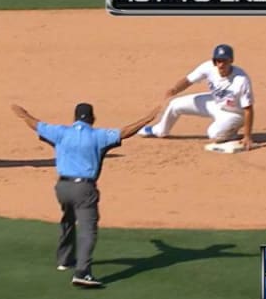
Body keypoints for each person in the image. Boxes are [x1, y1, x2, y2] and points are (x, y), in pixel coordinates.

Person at [11, 102, 159, 287]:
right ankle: (82, 272)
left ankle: (65, 260)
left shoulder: (61, 132)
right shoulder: (98, 136)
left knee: (68, 218)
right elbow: (125, 132)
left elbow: (37, 124)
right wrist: (147, 119)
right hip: (84, 189)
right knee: (88, 229)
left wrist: (24, 114)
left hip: (62, 188)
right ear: (92, 118)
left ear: (74, 118)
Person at [140, 43, 255, 150]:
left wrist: (247, 136)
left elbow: (248, 109)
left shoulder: (241, 80)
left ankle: (231, 132)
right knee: (175, 104)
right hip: (215, 103)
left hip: (234, 113)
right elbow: (188, 80)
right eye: (218, 61)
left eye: (225, 61)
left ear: (231, 61)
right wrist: (174, 90)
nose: (221, 64)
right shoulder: (208, 67)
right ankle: (160, 130)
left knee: (214, 135)